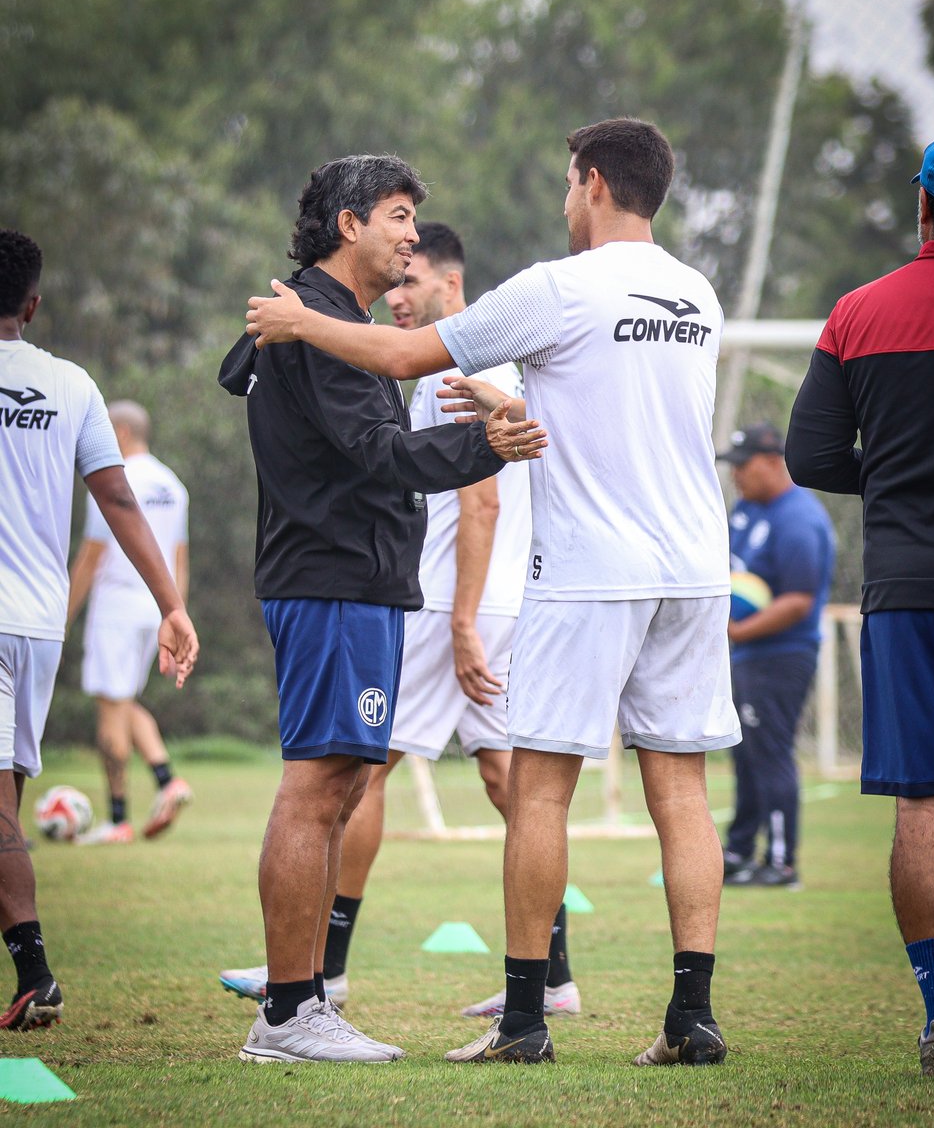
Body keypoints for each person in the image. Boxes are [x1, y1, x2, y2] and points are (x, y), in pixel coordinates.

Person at [244, 119, 740, 1067]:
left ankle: (524, 1022)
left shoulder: (557, 286)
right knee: (681, 794)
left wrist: (298, 320)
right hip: (694, 568)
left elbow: (399, 358)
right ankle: (691, 1017)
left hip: (591, 569)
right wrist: (514, 412)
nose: (562, 203)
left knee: (540, 793)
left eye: (565, 185)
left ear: (594, 183)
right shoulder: (697, 293)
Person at [217, 157, 545, 1066]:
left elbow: (372, 444)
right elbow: (381, 454)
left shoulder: (332, 321)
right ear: (349, 224)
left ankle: (306, 998)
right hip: (331, 582)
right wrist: (491, 445)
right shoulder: (317, 324)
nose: (412, 236)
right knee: (317, 785)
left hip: (355, 583)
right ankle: (287, 1016)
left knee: (346, 784)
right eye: (399, 217)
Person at [786, 129, 934, 1078]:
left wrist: (896, 481)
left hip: (911, 587)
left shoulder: (860, 313)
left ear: (924, 207)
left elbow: (811, 458)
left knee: (928, 808)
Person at [0, 229, 198, 1030]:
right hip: (39, 625)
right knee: (6, 807)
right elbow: (117, 501)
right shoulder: (71, 384)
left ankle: (36, 970)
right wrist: (173, 604)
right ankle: (30, 970)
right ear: (34, 304)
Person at [67, 400, 193, 844]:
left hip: (116, 605)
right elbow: (180, 558)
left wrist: (62, 614)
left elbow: (91, 555)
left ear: (119, 433)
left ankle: (117, 818)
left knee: (111, 706)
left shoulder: (112, 478)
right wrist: (177, 616)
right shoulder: (172, 485)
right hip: (156, 609)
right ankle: (166, 780)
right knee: (124, 699)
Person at [715, 421, 835, 889]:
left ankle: (782, 862)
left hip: (782, 655)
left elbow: (800, 599)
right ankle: (739, 851)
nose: (737, 475)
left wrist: (738, 628)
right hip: (748, 655)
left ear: (771, 462)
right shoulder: (746, 510)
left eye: (743, 466)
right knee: (746, 754)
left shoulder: (798, 519)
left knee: (770, 754)